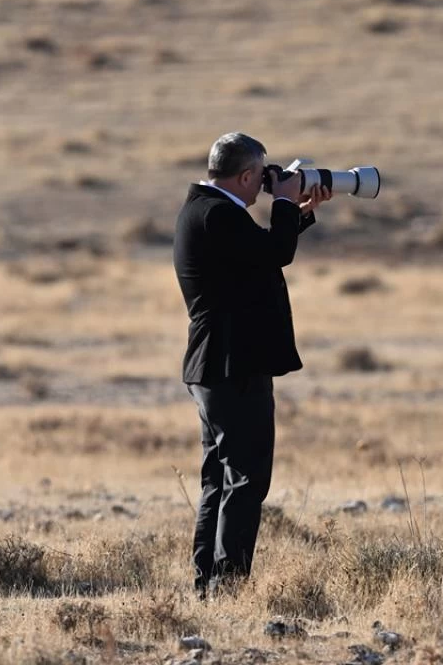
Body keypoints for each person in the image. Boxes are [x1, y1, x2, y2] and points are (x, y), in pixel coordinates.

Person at [172, 132, 332, 598]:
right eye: (261, 176)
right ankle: (227, 586)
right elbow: (273, 255)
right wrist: (282, 202)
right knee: (245, 480)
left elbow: (256, 258)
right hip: (231, 366)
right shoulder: (219, 213)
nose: (266, 183)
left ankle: (209, 582)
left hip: (215, 366)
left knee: (219, 479)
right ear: (246, 175)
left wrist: (296, 214)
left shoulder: (203, 211)